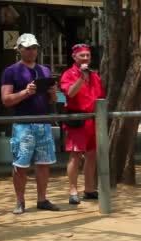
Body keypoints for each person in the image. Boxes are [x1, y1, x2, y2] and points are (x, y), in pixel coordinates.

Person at [1, 33, 59, 214]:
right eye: (27, 48)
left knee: (44, 163)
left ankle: (42, 199)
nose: (32, 51)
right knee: (21, 164)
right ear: (19, 49)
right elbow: (6, 100)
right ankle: (20, 200)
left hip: (43, 122)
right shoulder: (11, 71)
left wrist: (53, 92)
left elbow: (52, 101)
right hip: (23, 123)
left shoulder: (45, 70)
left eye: (34, 47)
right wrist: (25, 92)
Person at [60, 43, 105, 205]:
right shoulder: (68, 74)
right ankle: (73, 190)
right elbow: (70, 93)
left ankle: (89, 189)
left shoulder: (95, 76)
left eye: (88, 55)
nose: (86, 58)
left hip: (93, 120)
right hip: (78, 119)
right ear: (74, 57)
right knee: (75, 155)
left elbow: (100, 96)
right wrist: (81, 78)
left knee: (92, 155)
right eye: (82, 55)